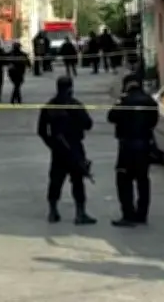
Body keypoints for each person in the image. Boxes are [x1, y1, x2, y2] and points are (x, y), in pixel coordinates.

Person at [37, 76, 97, 225]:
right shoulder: (75, 105)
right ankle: (80, 213)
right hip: (75, 147)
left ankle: (53, 211)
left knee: (56, 180)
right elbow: (88, 124)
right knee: (77, 181)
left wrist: (52, 144)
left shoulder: (49, 106)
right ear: (71, 88)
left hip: (58, 150)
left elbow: (42, 131)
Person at [107, 73, 158, 227]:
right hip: (144, 145)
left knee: (124, 180)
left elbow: (111, 117)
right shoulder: (149, 101)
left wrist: (119, 102)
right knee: (143, 180)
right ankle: (142, 214)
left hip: (127, 146)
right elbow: (153, 121)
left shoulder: (124, 101)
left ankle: (128, 214)